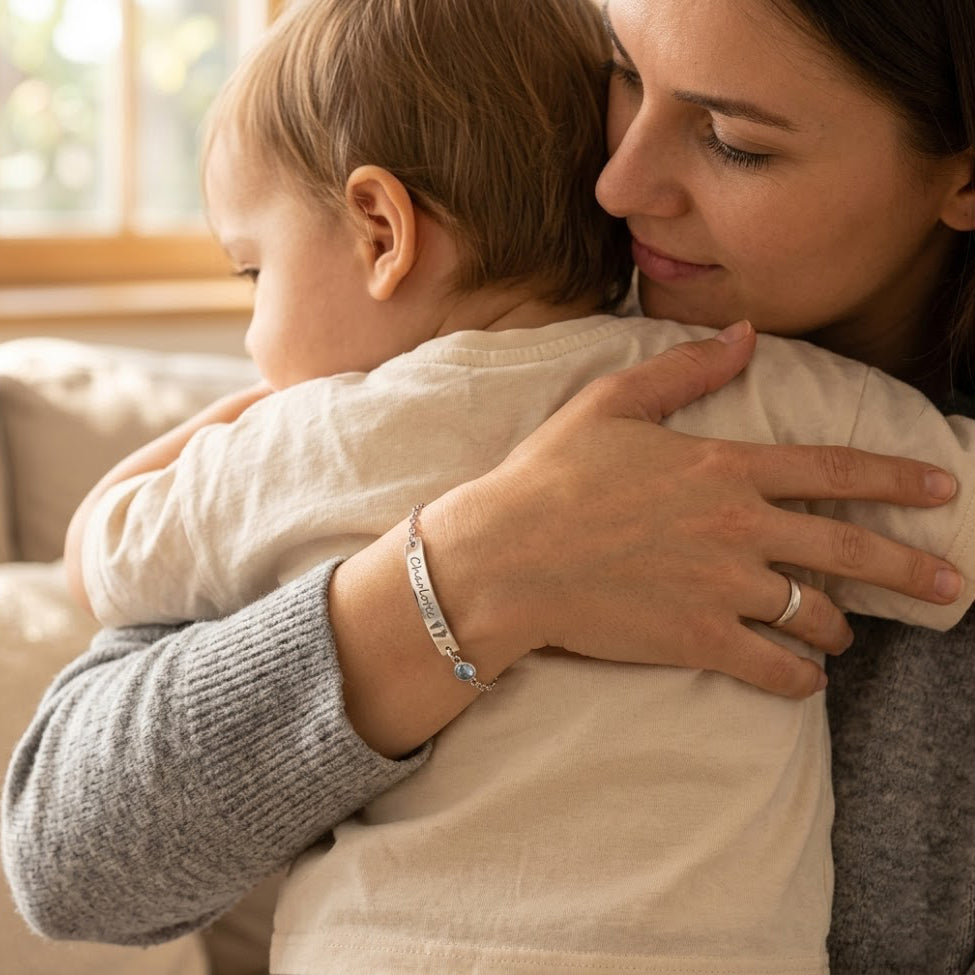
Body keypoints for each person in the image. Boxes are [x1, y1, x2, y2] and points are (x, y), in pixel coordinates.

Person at [2, 0, 973, 969]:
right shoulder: (387, 372)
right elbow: (67, 861)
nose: (615, 184)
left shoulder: (333, 424)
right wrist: (466, 575)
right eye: (623, 74)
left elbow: (116, 546)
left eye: (733, 140)